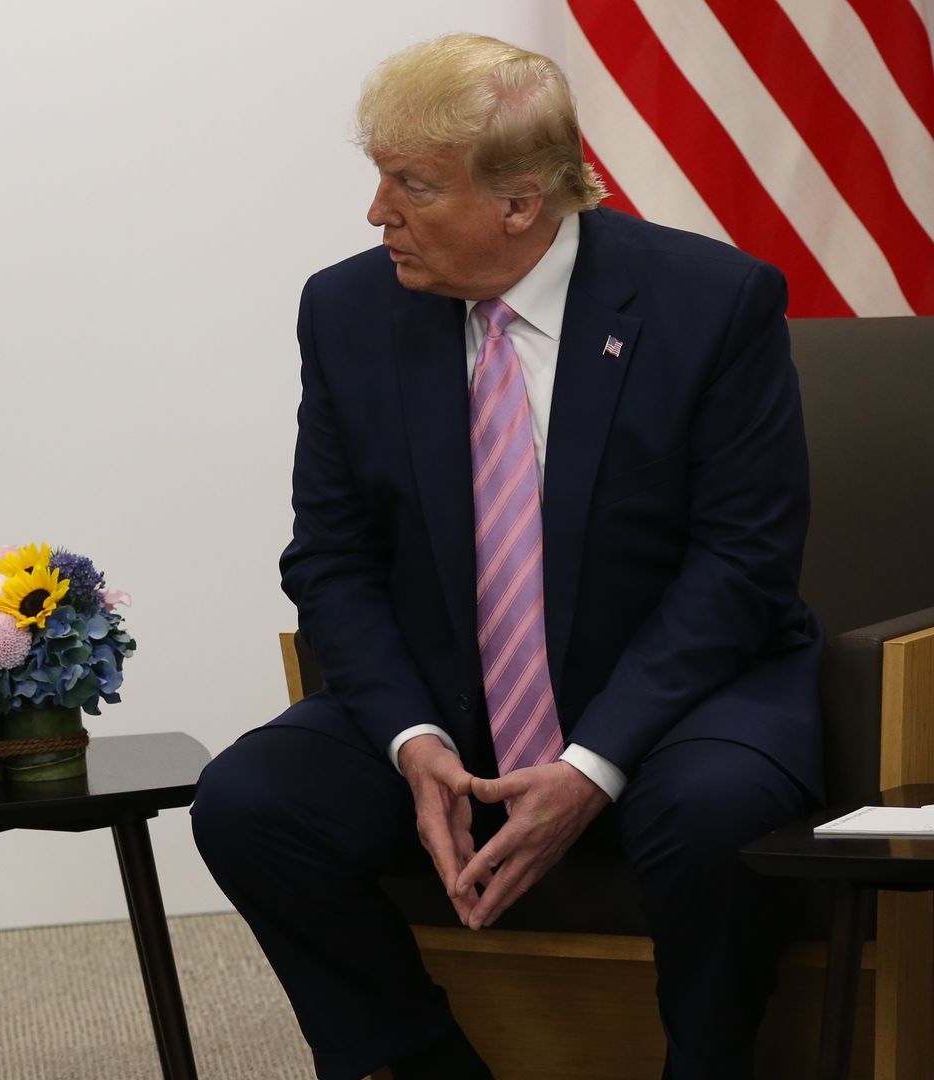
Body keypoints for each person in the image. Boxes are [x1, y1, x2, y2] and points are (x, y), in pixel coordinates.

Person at [192, 34, 820, 1080]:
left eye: (412, 184)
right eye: (379, 175)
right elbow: (331, 559)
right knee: (251, 804)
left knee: (717, 819)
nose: (377, 211)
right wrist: (409, 736)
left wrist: (590, 765)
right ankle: (423, 1062)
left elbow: (742, 565)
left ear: (523, 202)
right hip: (449, 695)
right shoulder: (348, 311)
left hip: (675, 700)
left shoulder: (712, 304)